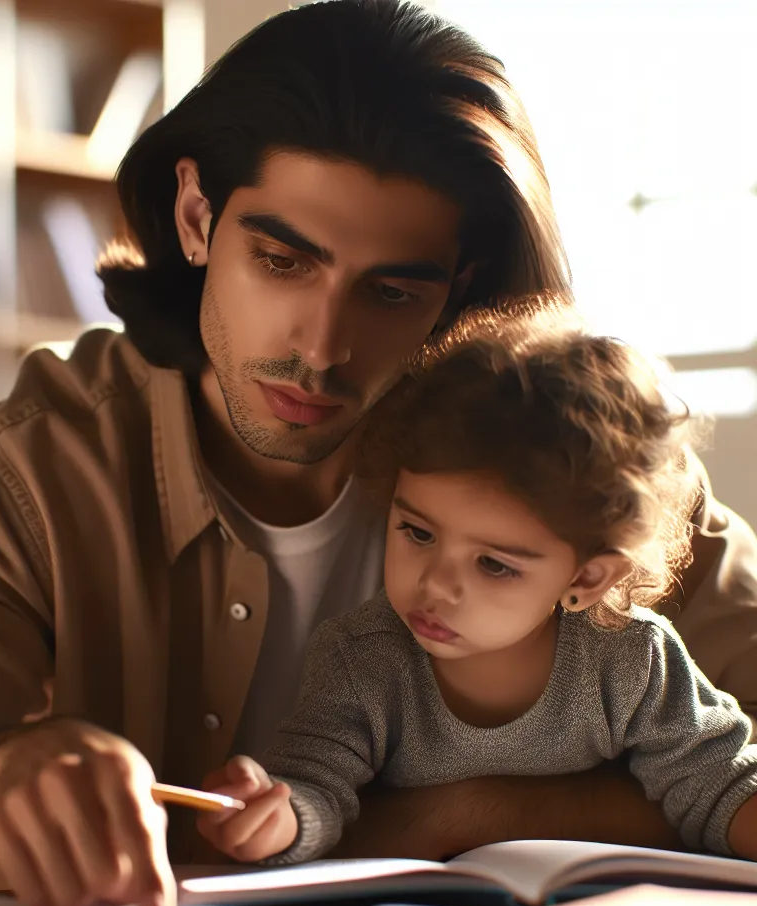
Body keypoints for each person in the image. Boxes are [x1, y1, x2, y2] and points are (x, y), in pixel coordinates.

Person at [0, 0, 757, 906]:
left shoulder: (567, 458)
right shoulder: (22, 466)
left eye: (391, 292)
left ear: (462, 288)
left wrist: (458, 814)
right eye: (283, 260)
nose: (321, 347)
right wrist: (1, 772)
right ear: (195, 216)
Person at [198, 297, 757, 865]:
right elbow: (315, 787)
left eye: (494, 564)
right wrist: (280, 820)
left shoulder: (632, 658)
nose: (436, 585)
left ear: (587, 578)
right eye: (417, 532)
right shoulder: (360, 660)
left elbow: (715, 782)